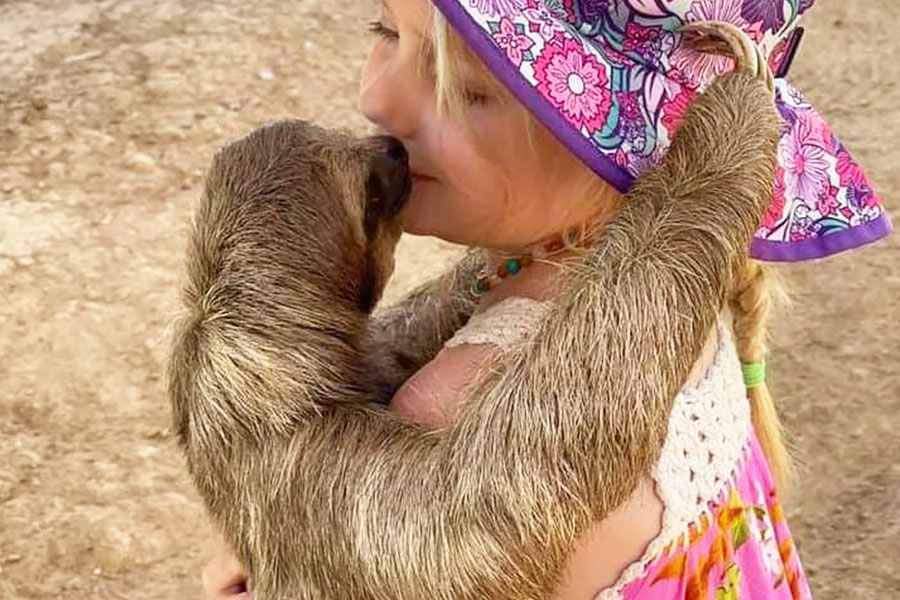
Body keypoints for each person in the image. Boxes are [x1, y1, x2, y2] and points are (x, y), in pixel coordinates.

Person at [201, 1, 891, 598]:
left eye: (470, 89)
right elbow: (545, 467)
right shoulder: (455, 415)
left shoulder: (408, 398)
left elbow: (397, 350)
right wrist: (702, 203)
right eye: (382, 27)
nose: (374, 111)